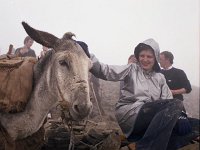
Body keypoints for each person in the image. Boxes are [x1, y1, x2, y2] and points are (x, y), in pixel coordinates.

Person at [89, 38, 193, 150]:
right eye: (142, 55)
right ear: (138, 56)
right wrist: (87, 55)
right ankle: (143, 147)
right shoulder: (132, 69)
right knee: (176, 104)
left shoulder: (160, 78)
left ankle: (140, 143)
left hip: (151, 121)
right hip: (130, 114)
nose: (145, 59)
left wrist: (181, 115)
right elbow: (106, 71)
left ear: (155, 58)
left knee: (195, 125)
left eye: (149, 56)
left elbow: (167, 99)